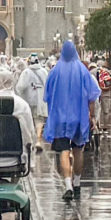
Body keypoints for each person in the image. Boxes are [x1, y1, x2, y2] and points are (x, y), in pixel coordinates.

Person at [44, 40, 102, 203]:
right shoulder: (83, 71)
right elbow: (93, 95)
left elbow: (47, 97)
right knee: (78, 151)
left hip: (60, 119)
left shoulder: (54, 72)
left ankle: (68, 185)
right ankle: (77, 183)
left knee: (63, 151)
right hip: (79, 118)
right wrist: (91, 116)